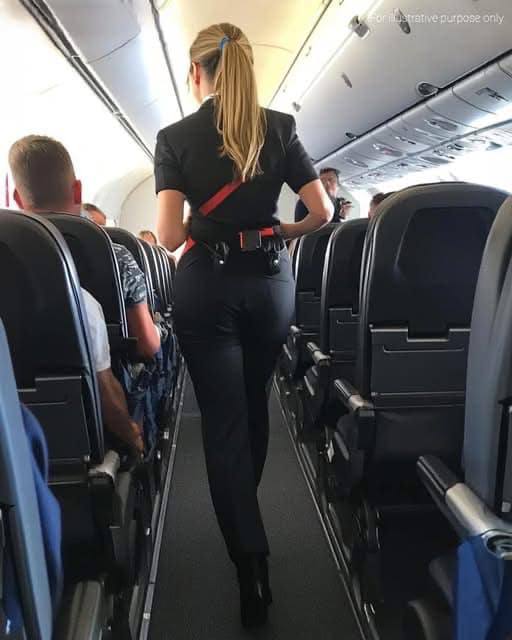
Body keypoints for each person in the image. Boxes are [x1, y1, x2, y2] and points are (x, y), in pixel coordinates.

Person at [154, 22, 332, 628]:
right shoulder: (279, 126)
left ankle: (249, 562)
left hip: (207, 286)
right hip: (269, 285)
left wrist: (205, 226)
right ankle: (246, 510)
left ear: (195, 72)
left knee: (223, 423)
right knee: (253, 406)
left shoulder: (175, 137)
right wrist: (278, 231)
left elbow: (169, 236)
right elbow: (321, 211)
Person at [8, 135, 144, 455]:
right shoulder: (83, 299)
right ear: (77, 191)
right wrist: (133, 436)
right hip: (77, 440)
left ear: (16, 197)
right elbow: (110, 394)